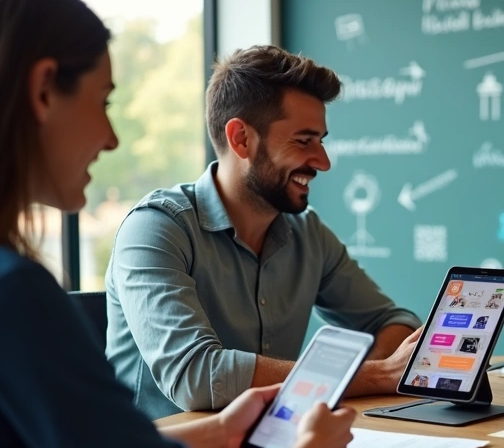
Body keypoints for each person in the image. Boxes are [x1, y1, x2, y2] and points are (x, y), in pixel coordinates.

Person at [0, 0, 372, 448]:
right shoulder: (20, 297)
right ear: (42, 91)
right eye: (104, 101)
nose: (112, 137)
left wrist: (221, 431)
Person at [105, 45, 421, 420]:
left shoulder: (308, 234)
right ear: (241, 139)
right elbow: (197, 377)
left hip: (275, 442)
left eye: (321, 141)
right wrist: (374, 375)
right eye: (303, 141)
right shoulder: (155, 229)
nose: (323, 162)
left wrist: (366, 374)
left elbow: (396, 325)